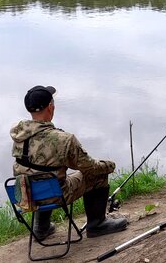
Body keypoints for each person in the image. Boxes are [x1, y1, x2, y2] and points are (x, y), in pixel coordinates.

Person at [10, 85, 128, 239]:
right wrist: (109, 165)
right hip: (56, 195)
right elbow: (90, 167)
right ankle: (97, 225)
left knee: (41, 175)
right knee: (97, 174)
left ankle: (41, 228)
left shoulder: (20, 136)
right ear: (51, 107)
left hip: (28, 195)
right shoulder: (63, 139)